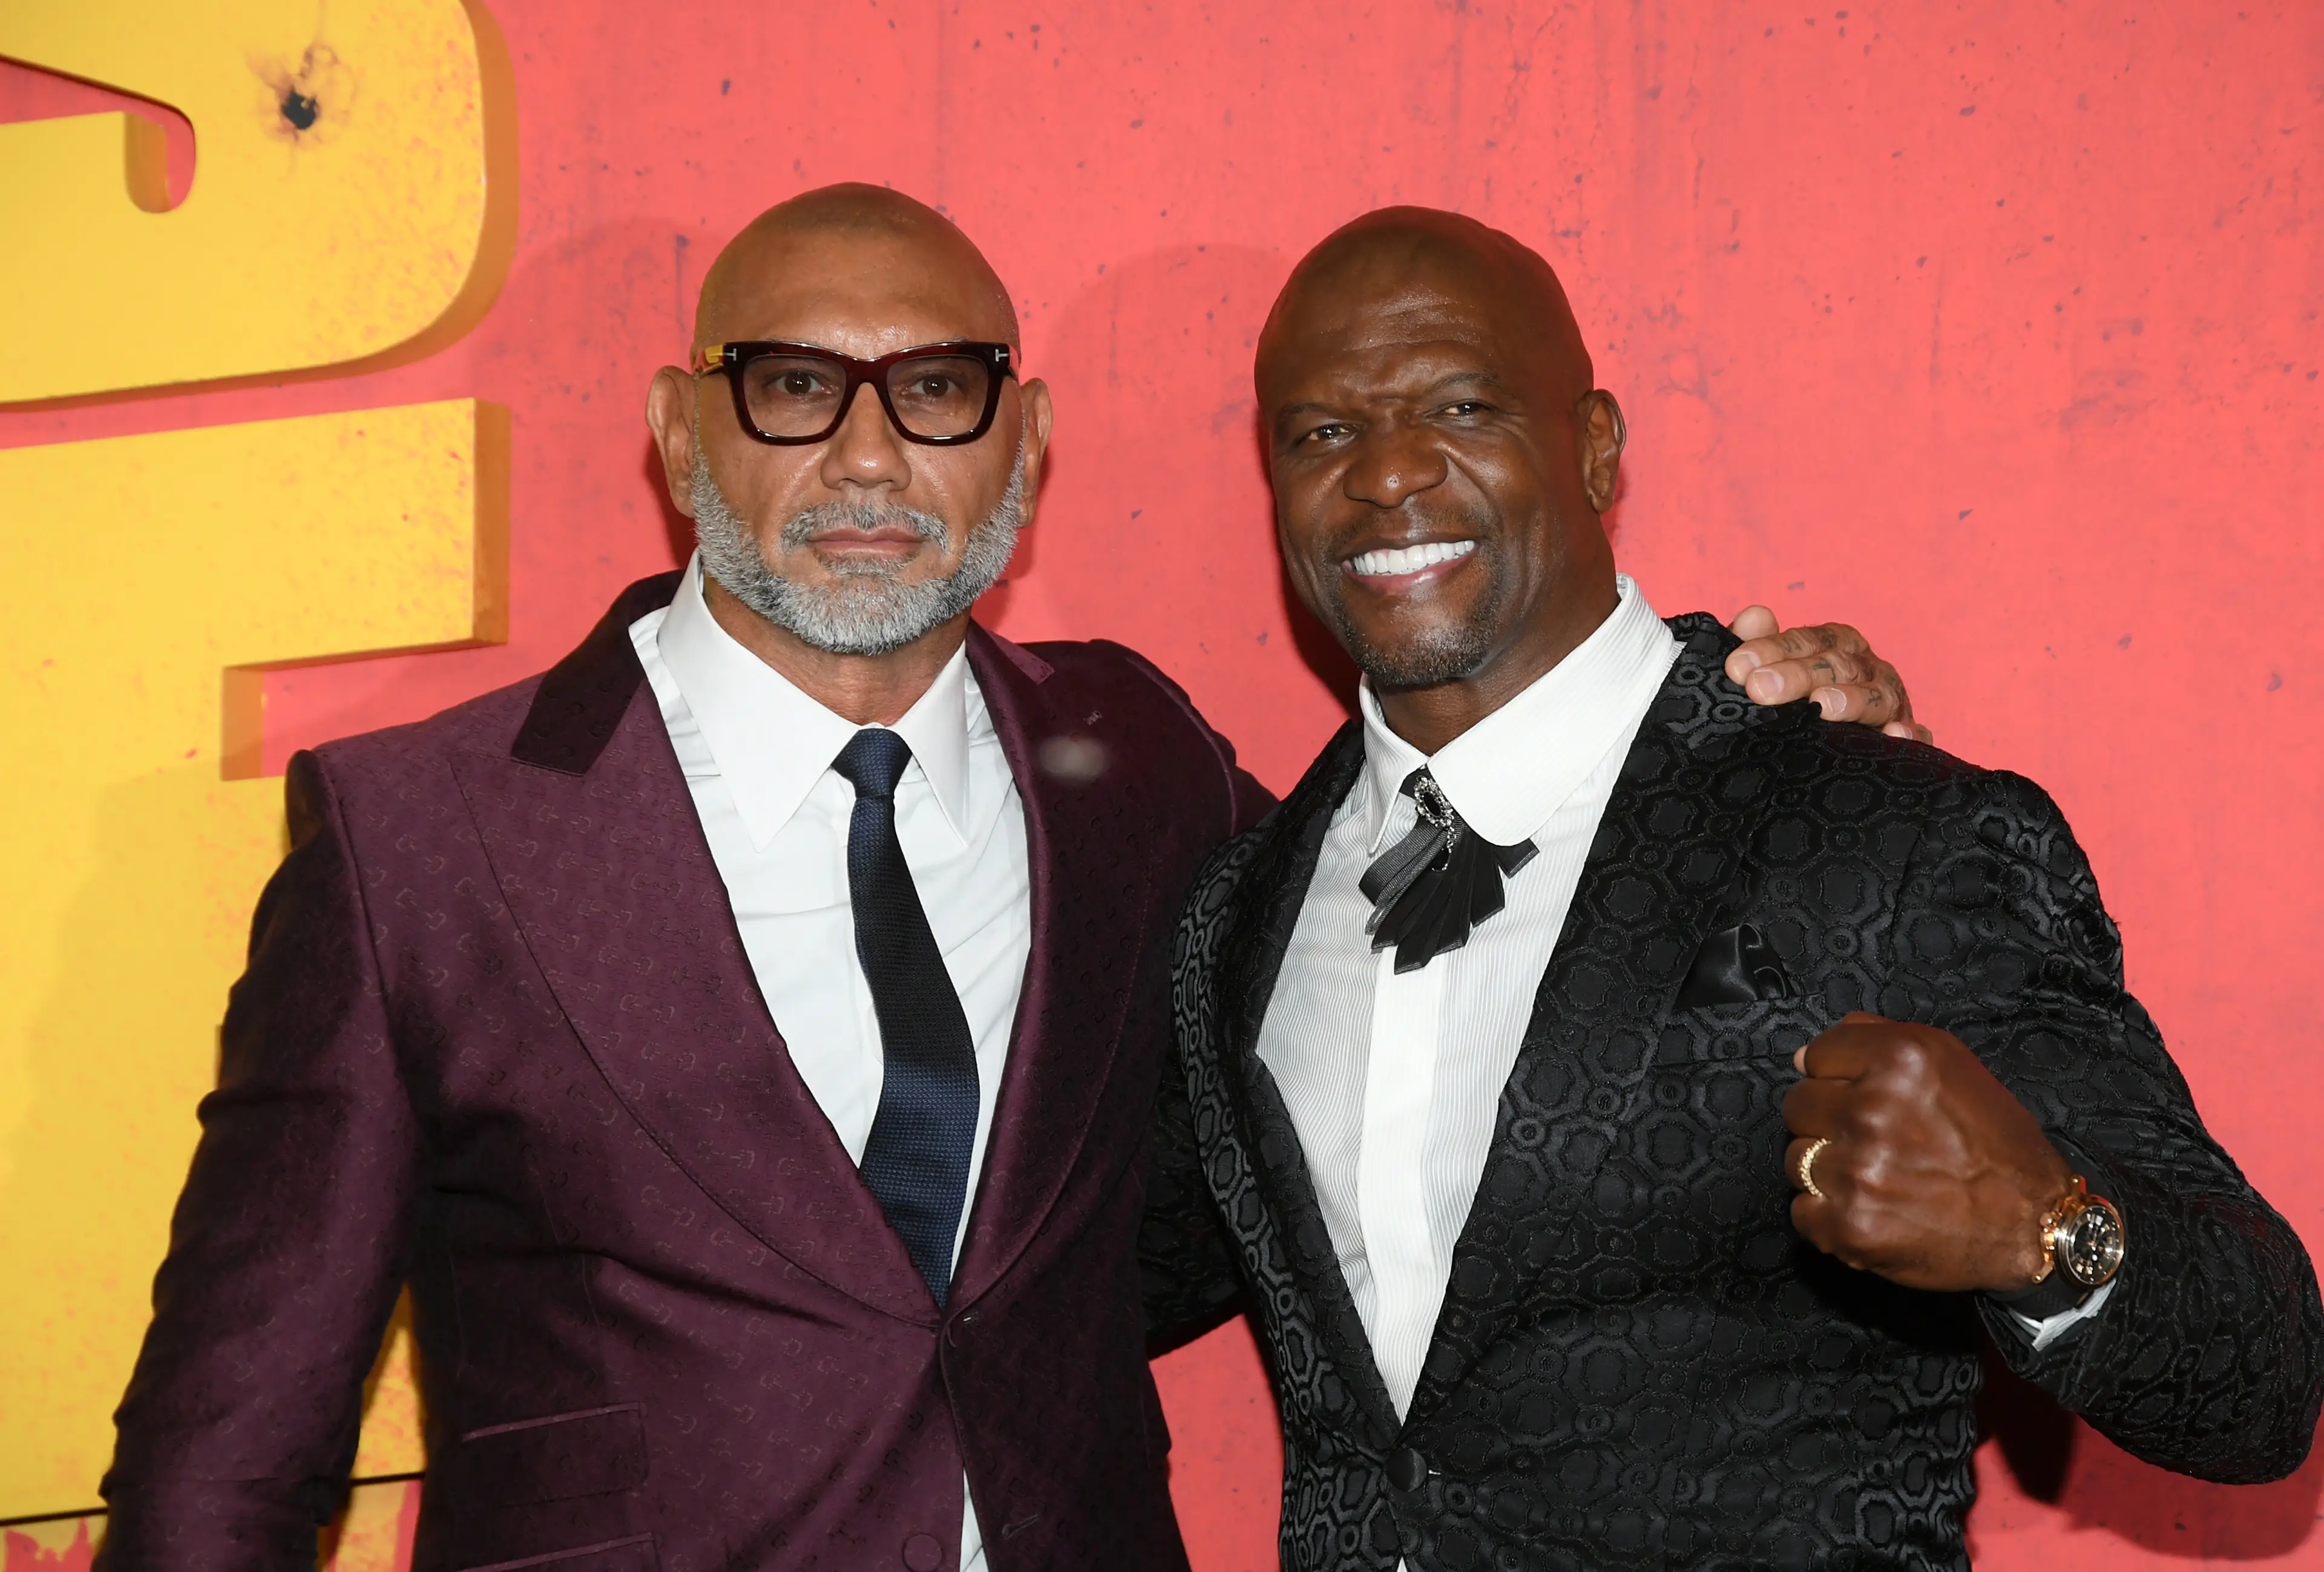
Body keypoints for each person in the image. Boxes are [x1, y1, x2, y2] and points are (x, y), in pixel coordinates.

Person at [97, 186, 1914, 1572]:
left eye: (941, 392)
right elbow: (233, 1441)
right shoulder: (429, 830)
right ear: (678, 429)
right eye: (797, 387)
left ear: (1027, 450)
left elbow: (1448, 899)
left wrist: (1725, 734)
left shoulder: (1136, 764)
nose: (873, 455)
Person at [1146, 206, 2324, 1572]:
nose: (1389, 473)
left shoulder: (1885, 830)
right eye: (1322, 433)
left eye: (1461, 404)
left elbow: (2264, 1388)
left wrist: (2044, 1232)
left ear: (1594, 445)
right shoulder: (1243, 911)